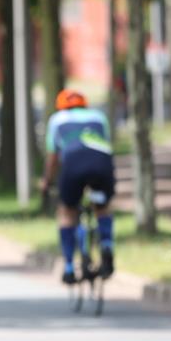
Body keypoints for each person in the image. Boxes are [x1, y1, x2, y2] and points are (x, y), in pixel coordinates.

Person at [39, 89, 116, 284]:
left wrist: (47, 181)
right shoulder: (99, 116)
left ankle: (69, 267)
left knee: (67, 212)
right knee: (103, 207)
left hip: (73, 164)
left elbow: (53, 157)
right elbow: (106, 144)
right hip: (101, 163)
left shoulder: (57, 119)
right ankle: (106, 244)